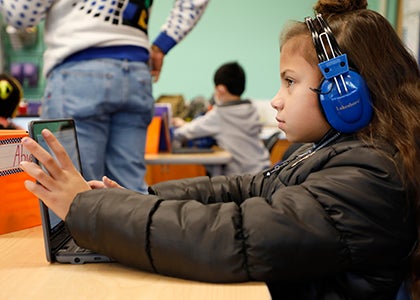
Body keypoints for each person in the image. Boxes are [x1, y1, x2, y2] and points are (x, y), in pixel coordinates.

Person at [19, 0, 420, 299]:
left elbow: (234, 236)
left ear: (344, 94)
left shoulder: (370, 177)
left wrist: (88, 209)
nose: (277, 100)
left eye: (290, 82)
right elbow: (244, 189)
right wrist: (130, 201)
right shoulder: (328, 153)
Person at [0, 0, 210, 193]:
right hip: (136, 72)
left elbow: (21, 14)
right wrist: (162, 44)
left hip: (80, 69)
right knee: (130, 193)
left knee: (75, 192)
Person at [172, 62, 271, 175]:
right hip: (262, 170)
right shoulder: (251, 108)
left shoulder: (220, 114)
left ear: (220, 89)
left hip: (241, 178)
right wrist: (185, 124)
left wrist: (181, 126)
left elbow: (187, 131)